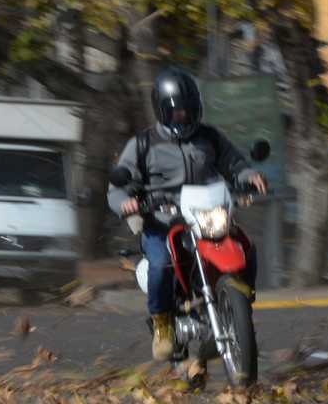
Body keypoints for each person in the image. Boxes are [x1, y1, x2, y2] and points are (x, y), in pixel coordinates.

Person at [107, 67, 267, 361]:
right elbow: (118, 185)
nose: (182, 116)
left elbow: (234, 163)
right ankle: (163, 324)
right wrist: (125, 203)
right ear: (162, 111)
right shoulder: (143, 144)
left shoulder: (210, 137)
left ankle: (242, 302)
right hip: (162, 221)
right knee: (161, 264)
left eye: (187, 110)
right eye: (175, 111)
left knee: (246, 245)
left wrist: (249, 176)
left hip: (205, 216)